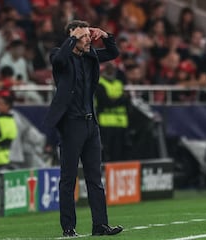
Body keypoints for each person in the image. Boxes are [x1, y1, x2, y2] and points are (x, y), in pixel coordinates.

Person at [44, 20, 123, 237]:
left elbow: (113, 53)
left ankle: (100, 225)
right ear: (72, 36)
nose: (89, 39)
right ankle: (68, 228)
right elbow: (59, 59)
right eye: (84, 35)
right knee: (69, 179)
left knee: (95, 179)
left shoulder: (90, 56)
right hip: (71, 124)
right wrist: (73, 37)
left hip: (91, 125)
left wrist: (105, 35)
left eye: (89, 35)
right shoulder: (59, 55)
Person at [96, 61, 130, 162]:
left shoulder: (119, 83)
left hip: (121, 123)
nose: (111, 71)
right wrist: (121, 99)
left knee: (119, 152)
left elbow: (127, 100)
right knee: (106, 151)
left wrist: (115, 99)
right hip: (105, 123)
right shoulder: (100, 83)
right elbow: (105, 101)